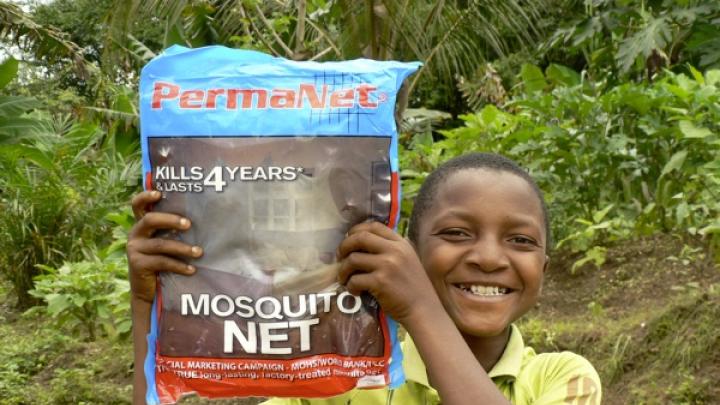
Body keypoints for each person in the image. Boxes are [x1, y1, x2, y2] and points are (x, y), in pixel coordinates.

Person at [128, 152, 601, 405]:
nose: (489, 257)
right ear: (412, 253)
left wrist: (419, 308)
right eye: (457, 233)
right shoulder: (346, 377)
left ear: (544, 264)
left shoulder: (563, 377)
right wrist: (149, 306)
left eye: (521, 241)